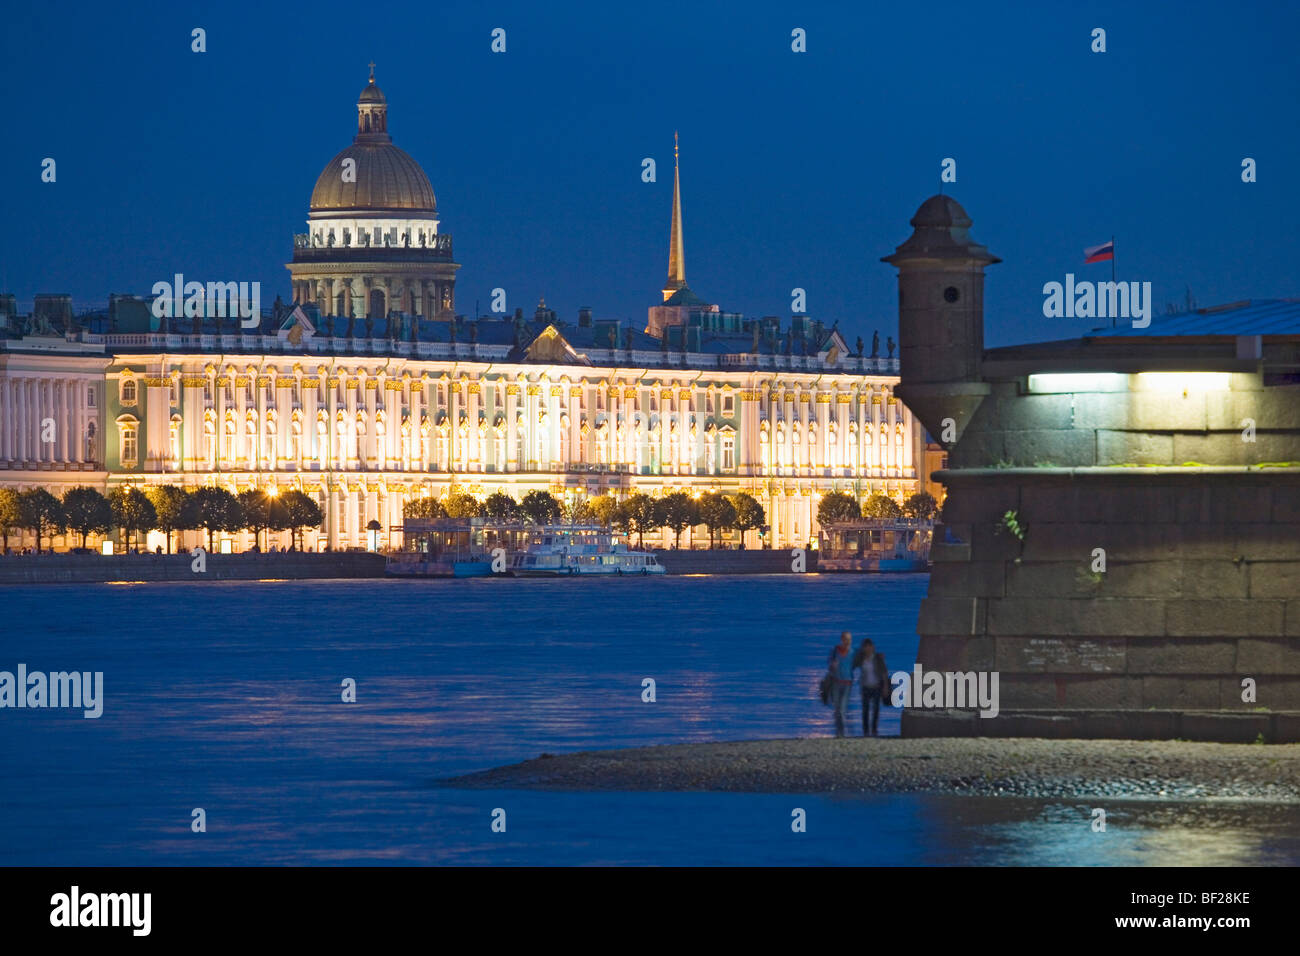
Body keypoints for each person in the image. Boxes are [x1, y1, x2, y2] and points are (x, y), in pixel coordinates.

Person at [853, 638, 889, 736]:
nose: (868, 649)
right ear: (863, 648)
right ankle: (865, 731)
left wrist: (885, 687)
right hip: (865, 687)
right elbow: (852, 664)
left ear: (873, 647)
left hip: (876, 687)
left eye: (870, 647)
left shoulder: (878, 658)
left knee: (876, 710)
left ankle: (874, 730)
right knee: (865, 710)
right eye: (866, 647)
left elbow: (884, 673)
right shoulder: (861, 658)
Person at [827, 631, 855, 738]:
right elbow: (829, 665)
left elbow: (858, 662)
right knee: (837, 709)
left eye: (849, 639)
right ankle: (839, 732)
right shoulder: (835, 651)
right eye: (846, 639)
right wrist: (832, 665)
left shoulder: (852, 652)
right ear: (842, 639)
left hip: (847, 683)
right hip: (836, 682)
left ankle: (841, 733)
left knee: (842, 709)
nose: (848, 641)